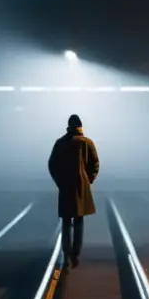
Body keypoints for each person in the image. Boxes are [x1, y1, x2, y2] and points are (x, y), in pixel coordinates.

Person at [48, 113, 99, 268]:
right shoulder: (87, 142)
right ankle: (76, 254)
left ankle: (66, 252)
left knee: (66, 222)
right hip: (81, 188)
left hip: (65, 187)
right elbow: (95, 164)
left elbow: (52, 164)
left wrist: (59, 182)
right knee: (78, 221)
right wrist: (88, 180)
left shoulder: (60, 143)